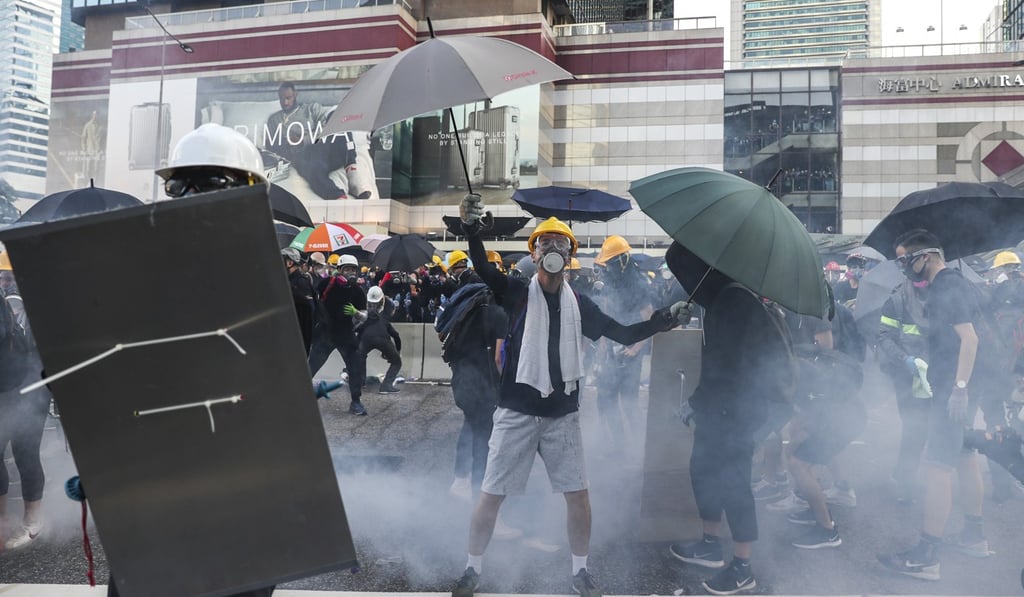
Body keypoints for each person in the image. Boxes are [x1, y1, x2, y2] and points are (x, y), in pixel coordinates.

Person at [452, 196, 682, 597]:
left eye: (560, 244)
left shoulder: (582, 304)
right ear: (534, 252)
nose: (552, 250)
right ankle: (472, 569)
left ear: (570, 255)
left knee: (578, 496)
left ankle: (580, 571)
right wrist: (472, 230)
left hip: (561, 414)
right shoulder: (517, 292)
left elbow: (623, 333)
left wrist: (661, 322)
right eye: (545, 244)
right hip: (516, 412)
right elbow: (485, 269)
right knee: (491, 494)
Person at [665, 241, 795, 596]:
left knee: (734, 481)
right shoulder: (721, 298)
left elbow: (725, 367)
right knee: (703, 469)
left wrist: (695, 402)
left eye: (687, 275)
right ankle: (710, 542)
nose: (687, 284)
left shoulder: (733, 301)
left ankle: (742, 566)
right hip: (722, 406)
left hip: (741, 408)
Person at [878, 229, 987, 581]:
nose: (904, 267)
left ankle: (927, 556)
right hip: (965, 385)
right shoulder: (953, 283)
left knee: (937, 465)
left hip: (955, 390)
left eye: (905, 260)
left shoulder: (946, 285)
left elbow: (969, 339)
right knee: (965, 456)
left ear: (925, 256)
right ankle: (974, 535)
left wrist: (958, 388)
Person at [0, 252, 49, 550]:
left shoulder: (33, 301)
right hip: (5, 386)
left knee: (26, 452)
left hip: (31, 387)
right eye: (1, 277)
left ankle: (33, 520)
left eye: (9, 277)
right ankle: (3, 522)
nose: (5, 283)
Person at [592, 235, 654, 453]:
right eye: (606, 263)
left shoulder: (638, 284)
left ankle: (639, 447)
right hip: (612, 350)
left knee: (629, 403)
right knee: (605, 401)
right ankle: (618, 446)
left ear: (622, 261)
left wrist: (636, 348)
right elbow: (607, 312)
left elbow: (649, 321)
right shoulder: (611, 282)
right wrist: (602, 346)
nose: (608, 267)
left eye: (611, 262)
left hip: (631, 353)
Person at [877, 277, 931, 504]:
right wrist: (904, 358)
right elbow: (884, 336)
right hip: (908, 376)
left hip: (940, 374)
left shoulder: (947, 297)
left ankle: (931, 476)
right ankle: (906, 481)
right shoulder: (896, 301)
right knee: (915, 427)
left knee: (933, 428)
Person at [265, 82, 357, 200]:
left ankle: (352, 170)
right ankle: (338, 195)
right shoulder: (274, 120)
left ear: (296, 95)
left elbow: (327, 129)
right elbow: (272, 148)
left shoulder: (312, 109)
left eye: (288, 98)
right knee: (312, 167)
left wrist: (303, 140)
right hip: (303, 156)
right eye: (282, 99)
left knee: (337, 117)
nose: (285, 102)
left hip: (323, 148)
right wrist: (289, 144)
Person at [308, 254, 369, 416]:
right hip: (325, 334)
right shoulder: (327, 283)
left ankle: (356, 402)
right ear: (340, 270)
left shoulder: (357, 291)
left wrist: (356, 313)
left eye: (353, 269)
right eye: (347, 269)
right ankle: (300, 398)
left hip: (345, 334)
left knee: (355, 368)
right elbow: (313, 300)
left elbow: (364, 315)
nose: (351, 272)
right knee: (312, 366)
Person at [156, 123, 270, 200]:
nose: (189, 196)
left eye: (208, 183)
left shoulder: (279, 235)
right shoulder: (157, 235)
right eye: (177, 185)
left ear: (249, 189)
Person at [357, 286, 403, 394]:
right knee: (397, 362)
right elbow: (396, 336)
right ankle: (386, 385)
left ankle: (361, 382)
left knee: (360, 356)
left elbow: (358, 331)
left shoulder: (364, 317)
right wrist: (397, 352)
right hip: (383, 339)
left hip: (365, 339)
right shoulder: (385, 317)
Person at [281, 248, 315, 355]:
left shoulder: (301, 281)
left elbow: (309, 310)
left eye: (282, 261)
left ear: (290, 263)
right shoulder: (287, 280)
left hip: (299, 338)